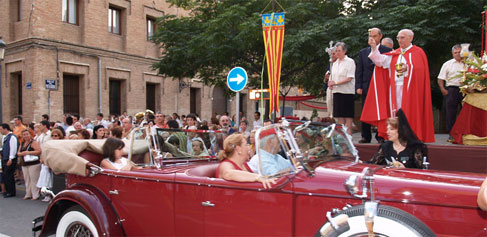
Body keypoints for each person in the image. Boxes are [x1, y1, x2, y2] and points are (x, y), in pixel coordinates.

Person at [362, 29, 435, 143]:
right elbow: (380, 61)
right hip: (394, 88)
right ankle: (397, 137)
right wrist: (374, 47)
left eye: (402, 37)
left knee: (408, 113)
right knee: (395, 113)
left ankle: (410, 137)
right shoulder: (395, 53)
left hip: (410, 89)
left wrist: (409, 68)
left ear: (410, 38)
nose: (399, 40)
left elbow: (421, 70)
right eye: (398, 38)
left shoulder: (417, 52)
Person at [356, 28, 392, 143]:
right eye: (370, 36)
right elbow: (359, 70)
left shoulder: (387, 50)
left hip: (381, 86)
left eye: (375, 36)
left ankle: (380, 136)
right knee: (366, 110)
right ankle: (365, 136)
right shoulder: (363, 52)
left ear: (380, 36)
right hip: (367, 85)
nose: (372, 39)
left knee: (382, 110)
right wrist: (358, 86)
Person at [328, 42, 356, 136]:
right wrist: (331, 83)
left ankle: (349, 132)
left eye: (339, 51)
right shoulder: (335, 64)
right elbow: (332, 77)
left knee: (347, 114)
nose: (337, 53)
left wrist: (336, 83)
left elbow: (349, 77)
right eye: (336, 51)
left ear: (344, 51)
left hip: (347, 91)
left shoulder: (350, 62)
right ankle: (341, 133)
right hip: (337, 91)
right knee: (339, 114)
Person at [437, 44, 464, 142]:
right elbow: (440, 78)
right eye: (455, 53)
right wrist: (442, 89)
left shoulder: (468, 63)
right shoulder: (447, 64)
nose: (457, 54)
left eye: (459, 52)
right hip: (451, 90)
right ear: (452, 53)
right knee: (450, 113)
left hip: (465, 90)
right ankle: (451, 133)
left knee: (465, 112)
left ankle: (464, 133)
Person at [17, 129, 41, 200]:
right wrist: (22, 154)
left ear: (30, 134)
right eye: (24, 135)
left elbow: (39, 151)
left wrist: (28, 152)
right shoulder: (22, 143)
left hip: (33, 163)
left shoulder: (33, 142)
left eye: (27, 134)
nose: (26, 136)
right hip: (24, 163)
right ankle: (28, 193)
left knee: (34, 179)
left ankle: (35, 194)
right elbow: (18, 152)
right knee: (27, 179)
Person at [1, 123, 19, 198]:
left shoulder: (12, 137)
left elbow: (13, 149)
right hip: (5, 158)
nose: (0, 131)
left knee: (9, 175)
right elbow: (4, 147)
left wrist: (11, 158)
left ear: (5, 129)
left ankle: (11, 192)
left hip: (9, 159)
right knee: (5, 175)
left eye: (1, 129)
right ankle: (7, 190)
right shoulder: (4, 137)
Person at [324, 46, 337, 118]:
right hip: (329, 88)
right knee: (329, 104)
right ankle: (330, 117)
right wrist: (326, 78)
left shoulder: (340, 64)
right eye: (331, 54)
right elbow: (325, 80)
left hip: (337, 87)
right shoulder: (329, 65)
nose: (332, 56)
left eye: (333, 54)